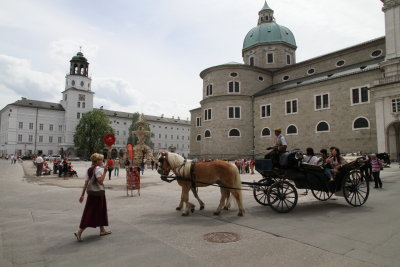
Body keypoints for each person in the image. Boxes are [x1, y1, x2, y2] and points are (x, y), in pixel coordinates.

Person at [74, 153, 111, 242]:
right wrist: (105, 171)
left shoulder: (89, 169)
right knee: (91, 212)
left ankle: (102, 230)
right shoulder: (98, 169)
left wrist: (82, 195)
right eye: (101, 160)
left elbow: (86, 183)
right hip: (98, 194)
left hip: (91, 193)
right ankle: (79, 231)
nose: (102, 161)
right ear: (97, 161)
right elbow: (100, 182)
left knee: (98, 210)